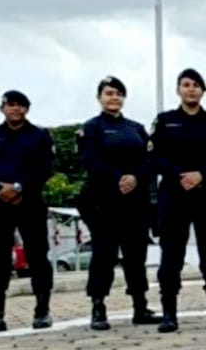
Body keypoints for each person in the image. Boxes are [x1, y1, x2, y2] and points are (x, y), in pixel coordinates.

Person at [149, 68, 206, 332]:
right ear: (178, 89)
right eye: (186, 85)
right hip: (174, 195)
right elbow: (154, 157)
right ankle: (169, 313)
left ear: (203, 91)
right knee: (171, 255)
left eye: (196, 85)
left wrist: (201, 175)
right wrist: (179, 175)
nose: (191, 89)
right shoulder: (165, 121)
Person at [78, 76, 162, 330]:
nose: (113, 97)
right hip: (105, 200)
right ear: (99, 97)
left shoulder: (136, 128)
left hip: (135, 201)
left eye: (118, 93)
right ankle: (98, 307)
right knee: (104, 254)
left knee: (136, 254)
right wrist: (118, 178)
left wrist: (135, 177)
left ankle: (140, 305)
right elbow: (90, 160)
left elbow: (150, 159)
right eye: (108, 93)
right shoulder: (91, 128)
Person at [0, 90, 56, 332]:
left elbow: (45, 168)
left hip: (29, 203)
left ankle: (42, 311)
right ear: (2, 108)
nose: (15, 109)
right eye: (10, 105)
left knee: (38, 258)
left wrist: (19, 187)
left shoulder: (39, 135)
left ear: (27, 109)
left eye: (20, 105)